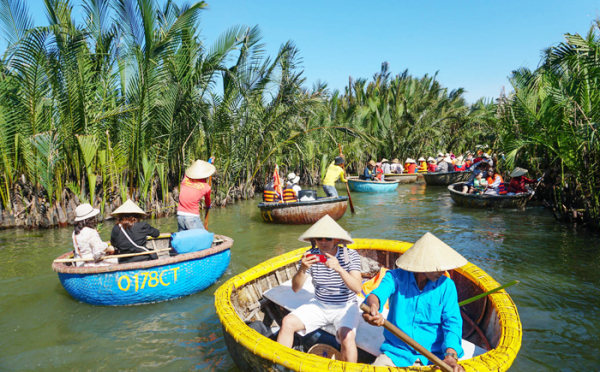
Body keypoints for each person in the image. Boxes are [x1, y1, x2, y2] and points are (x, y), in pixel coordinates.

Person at [362, 232, 466, 371]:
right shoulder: (395, 277)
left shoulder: (447, 286)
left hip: (434, 357)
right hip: (396, 354)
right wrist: (373, 308)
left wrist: (450, 355)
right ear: (421, 265)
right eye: (438, 267)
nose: (443, 271)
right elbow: (376, 295)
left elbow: (452, 324)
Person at [277, 215, 362, 362]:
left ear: (337, 240)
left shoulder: (350, 256)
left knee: (347, 338)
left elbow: (357, 288)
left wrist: (340, 269)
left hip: (345, 305)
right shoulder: (311, 256)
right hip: (320, 304)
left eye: (328, 238)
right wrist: (302, 269)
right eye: (319, 238)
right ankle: (278, 364)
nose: (323, 242)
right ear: (314, 240)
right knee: (287, 322)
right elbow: (296, 288)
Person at [110, 199, 161, 263]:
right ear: (137, 215)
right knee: (153, 253)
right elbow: (156, 233)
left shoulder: (116, 228)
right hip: (143, 258)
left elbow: (113, 244)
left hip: (124, 261)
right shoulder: (142, 225)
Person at [177, 159, 216, 231]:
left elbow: (194, 171)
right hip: (192, 217)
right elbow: (208, 203)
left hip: (180, 215)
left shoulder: (185, 179)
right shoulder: (206, 187)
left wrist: (209, 162)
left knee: (184, 239)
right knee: (201, 238)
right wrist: (208, 206)